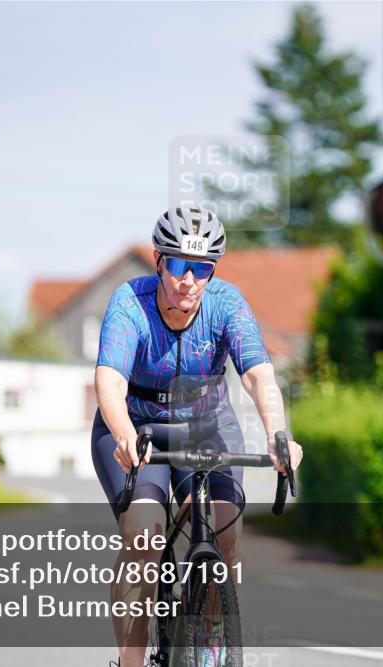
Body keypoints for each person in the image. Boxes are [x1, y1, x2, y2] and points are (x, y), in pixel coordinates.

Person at [91, 205, 303, 667]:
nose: (189, 280)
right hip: (139, 425)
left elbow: (258, 375)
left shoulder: (226, 303)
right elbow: (109, 380)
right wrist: (124, 434)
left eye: (202, 268)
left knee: (225, 533)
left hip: (207, 424)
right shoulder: (130, 302)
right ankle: (131, 660)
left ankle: (209, 642)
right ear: (158, 261)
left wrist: (277, 433)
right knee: (144, 537)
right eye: (178, 265)